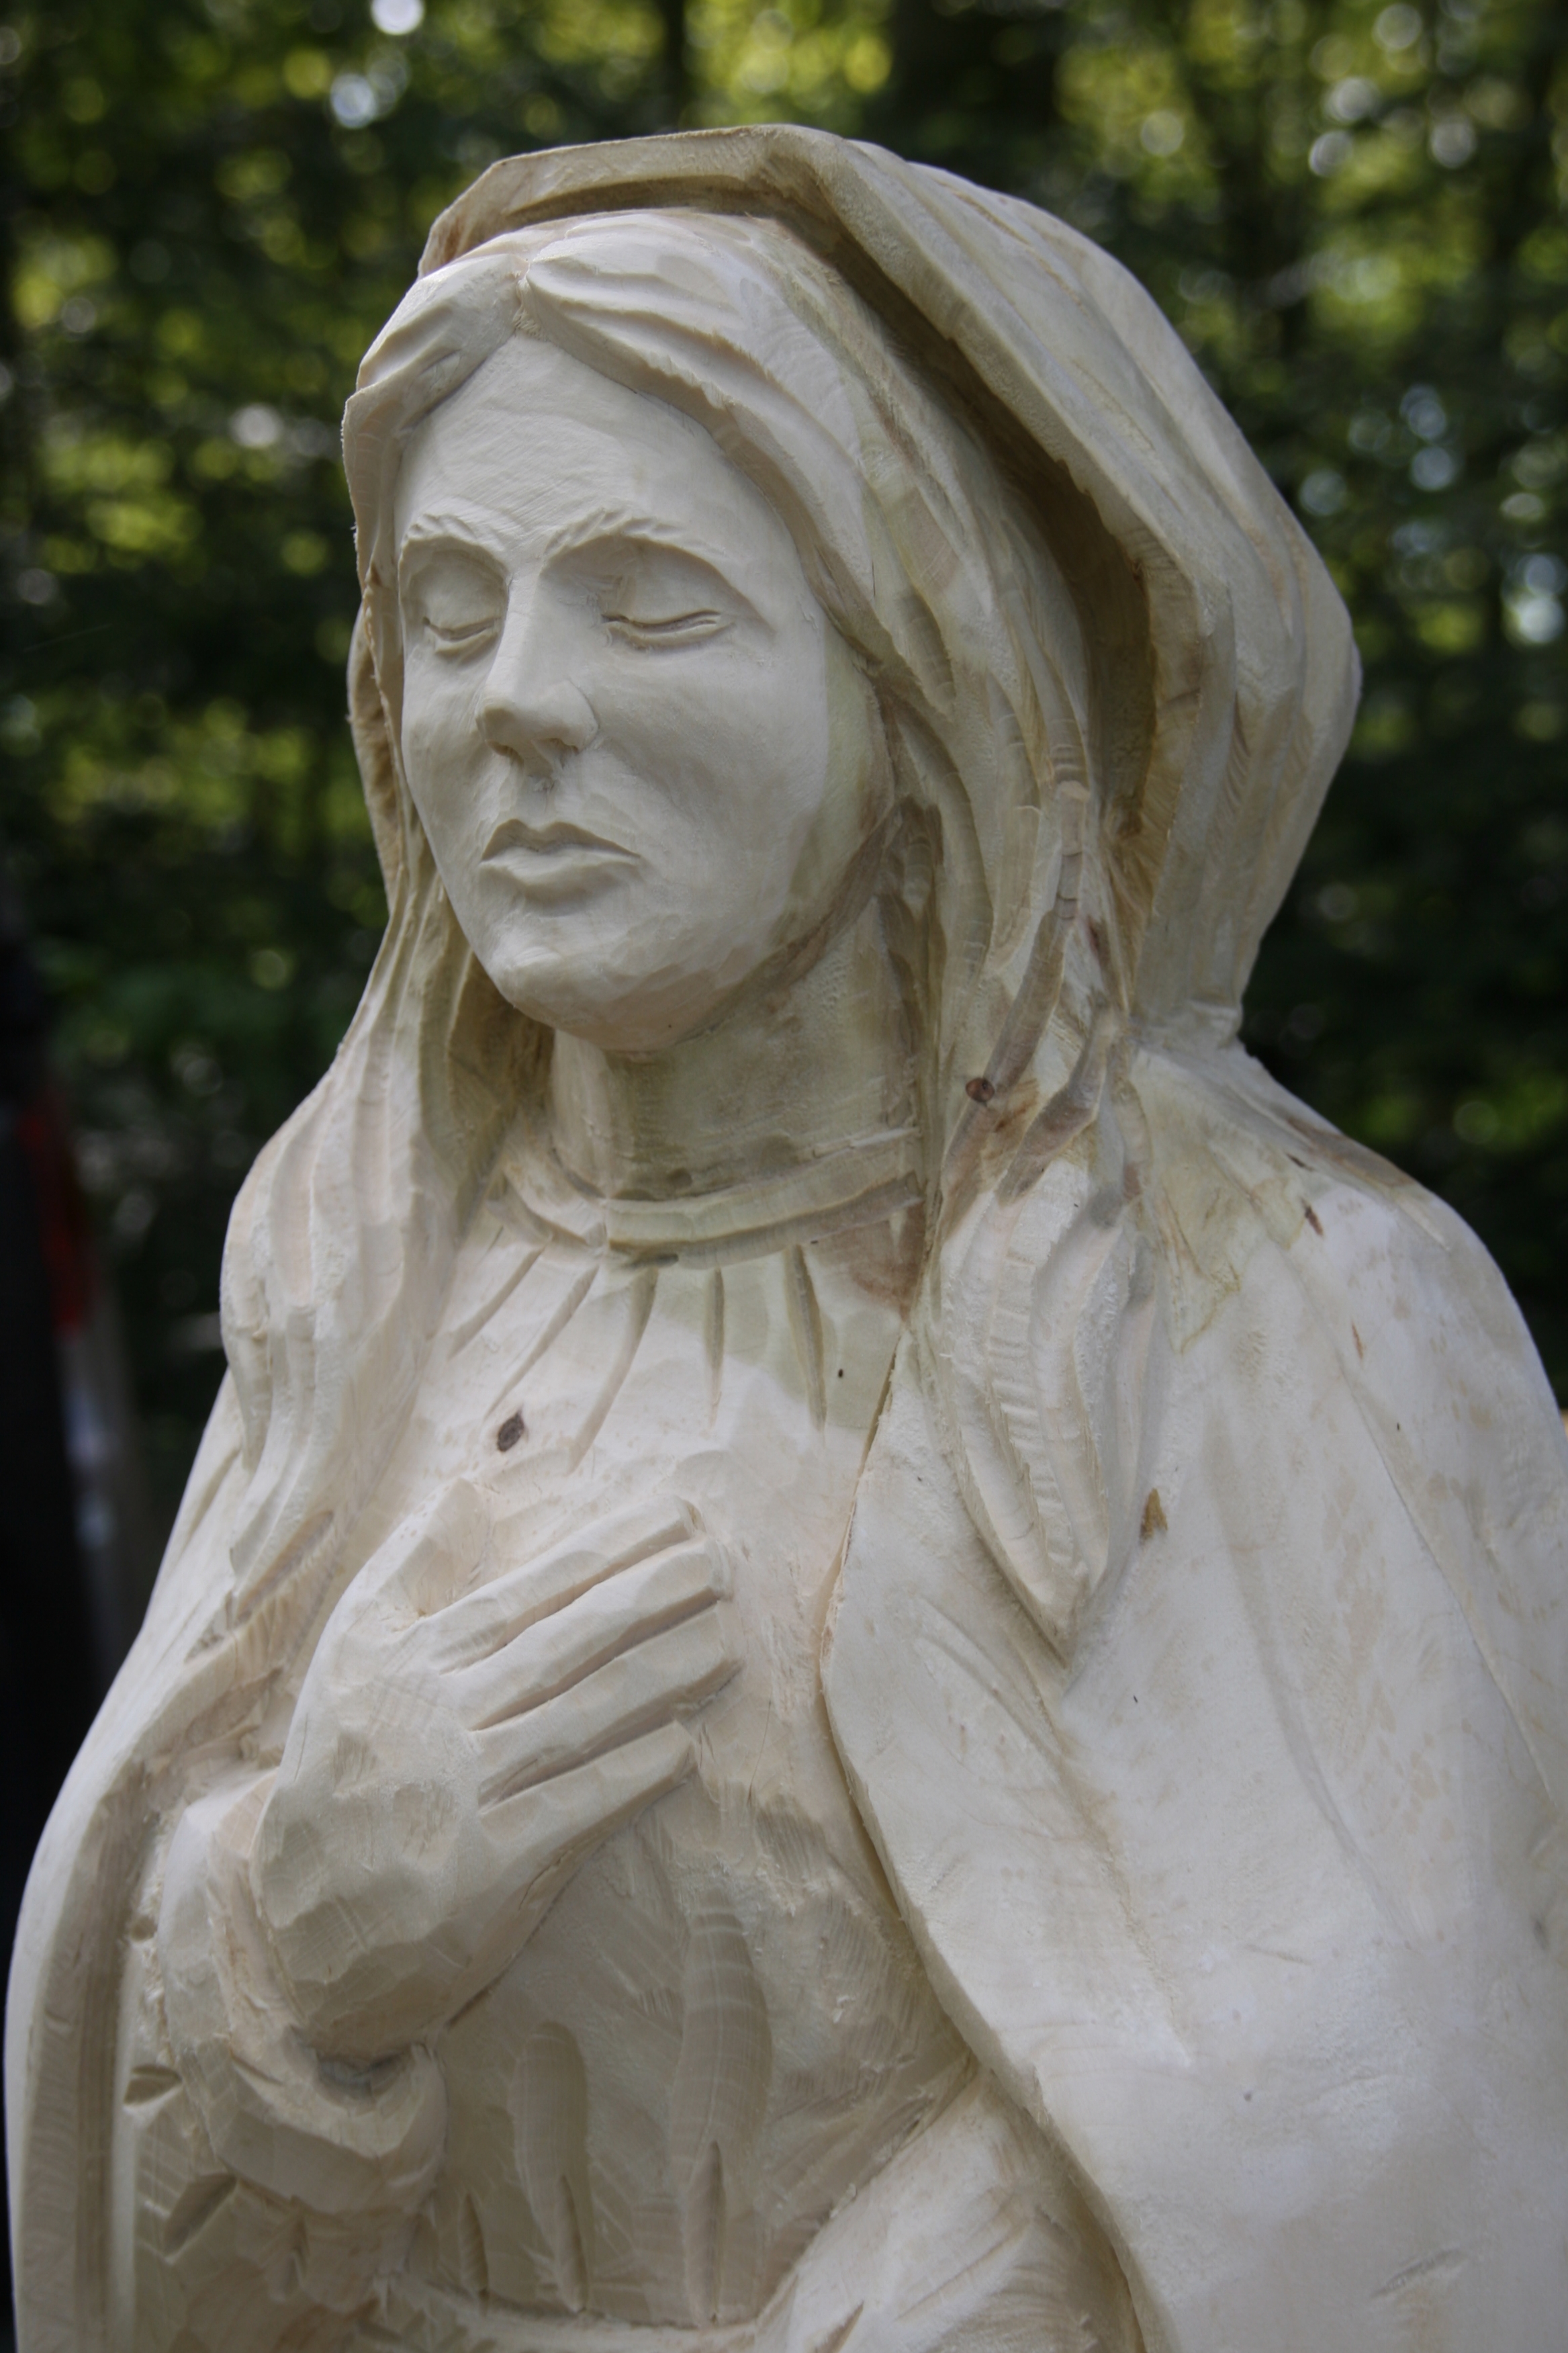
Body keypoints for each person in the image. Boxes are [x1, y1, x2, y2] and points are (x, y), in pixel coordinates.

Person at [8, 126, 1567, 2353]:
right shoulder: (356, 1285)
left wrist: (1041, 2264)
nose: (514, 698)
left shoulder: (1287, 1304)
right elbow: (123, 2258)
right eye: (446, 613)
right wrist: (287, 1960)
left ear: (919, 683)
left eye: (649, 600)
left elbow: (1447, 2144)